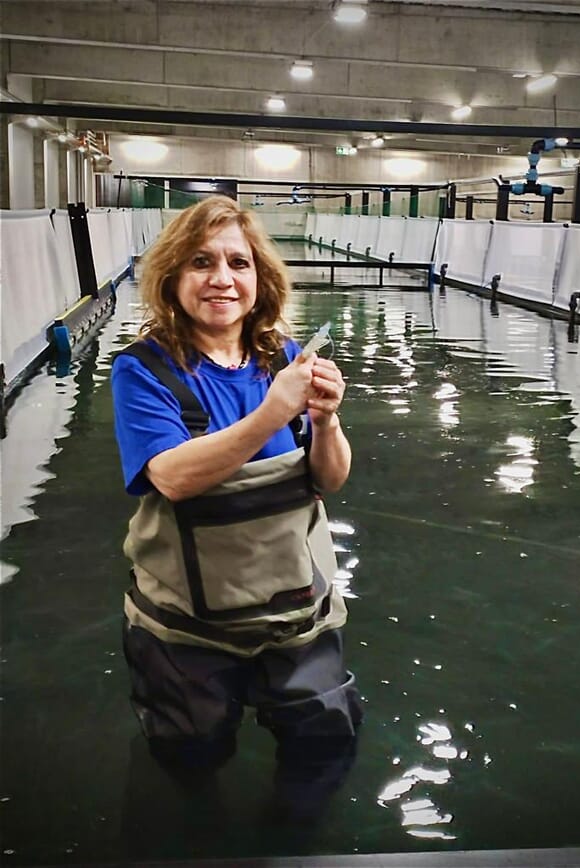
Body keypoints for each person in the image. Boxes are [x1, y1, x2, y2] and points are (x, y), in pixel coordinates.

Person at [111, 195, 362, 793]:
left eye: (238, 263)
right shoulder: (144, 369)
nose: (222, 279)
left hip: (295, 613)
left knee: (324, 741)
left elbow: (329, 480)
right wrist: (272, 411)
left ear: (260, 278)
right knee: (188, 752)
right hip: (185, 627)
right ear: (172, 278)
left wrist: (326, 421)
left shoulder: (286, 358)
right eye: (201, 262)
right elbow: (171, 476)